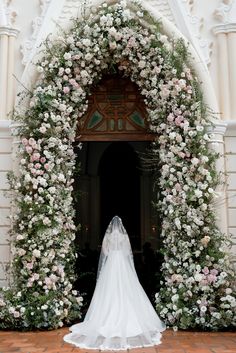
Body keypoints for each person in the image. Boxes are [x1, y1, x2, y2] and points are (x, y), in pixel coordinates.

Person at [63, 216, 165, 350]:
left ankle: (105, 316)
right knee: (127, 287)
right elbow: (128, 252)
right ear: (121, 226)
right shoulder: (123, 236)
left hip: (111, 263)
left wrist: (112, 253)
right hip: (122, 263)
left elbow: (104, 251)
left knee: (108, 289)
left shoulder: (108, 237)